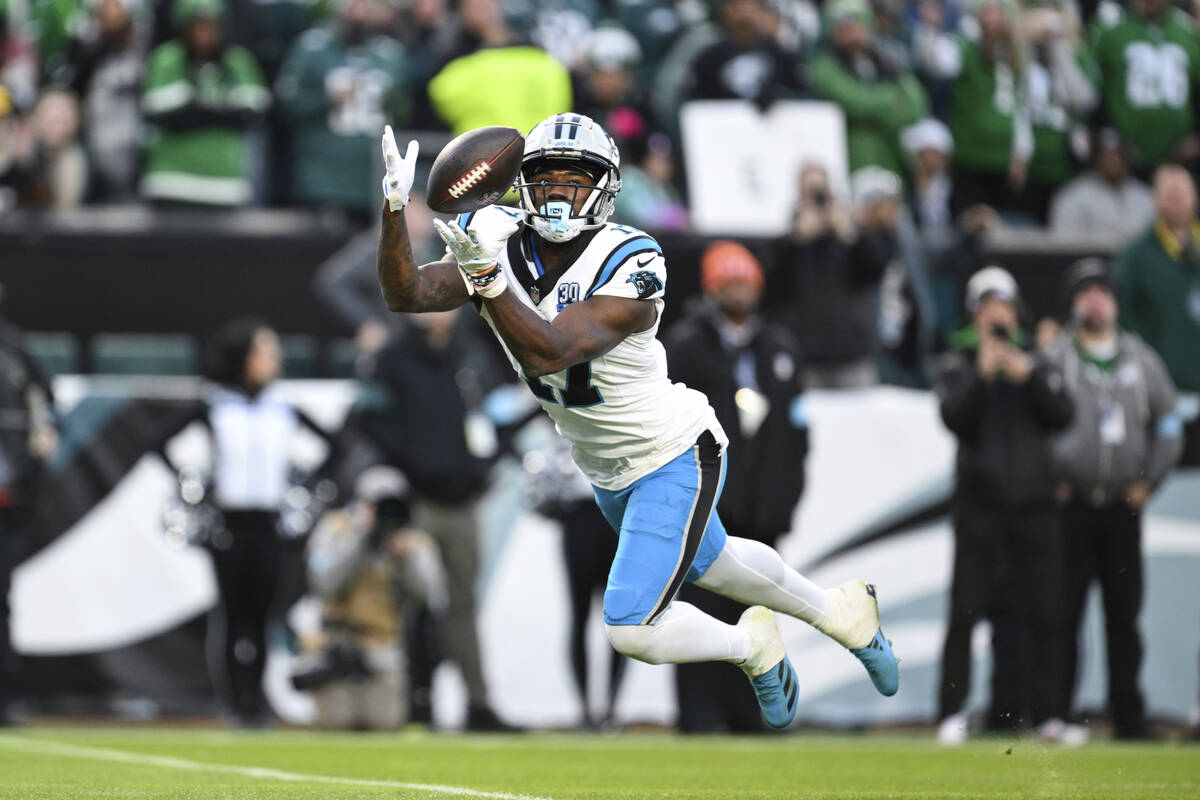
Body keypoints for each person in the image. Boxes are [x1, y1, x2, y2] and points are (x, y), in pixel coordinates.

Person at [375, 112, 899, 731]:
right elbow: (405, 293)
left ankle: (750, 646)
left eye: (576, 180)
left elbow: (551, 348)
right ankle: (840, 611)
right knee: (721, 565)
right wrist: (392, 210)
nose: (560, 194)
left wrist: (487, 278)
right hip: (608, 468)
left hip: (673, 450)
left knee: (632, 626)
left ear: (605, 187)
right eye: (546, 179)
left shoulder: (632, 256)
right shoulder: (505, 242)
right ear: (523, 183)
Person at [664, 240, 809, 732]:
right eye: (729, 284)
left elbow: (797, 435)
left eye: (744, 283)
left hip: (763, 511)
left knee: (757, 617)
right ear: (711, 288)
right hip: (706, 511)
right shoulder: (685, 346)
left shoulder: (782, 348)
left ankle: (753, 717)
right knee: (702, 615)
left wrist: (784, 502)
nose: (739, 293)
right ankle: (700, 716)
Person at [163, 318, 336, 725]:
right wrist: (192, 481)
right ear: (244, 357)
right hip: (229, 523)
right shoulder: (217, 404)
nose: (274, 358)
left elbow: (336, 442)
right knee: (231, 614)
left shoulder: (282, 405)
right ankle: (232, 700)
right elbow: (158, 439)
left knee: (260, 617)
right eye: (265, 350)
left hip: (270, 523)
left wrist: (303, 479)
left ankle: (255, 699)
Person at [351, 308, 514, 730]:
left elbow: (497, 419)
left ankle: (478, 705)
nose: (441, 310)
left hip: (464, 502)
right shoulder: (392, 357)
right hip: (415, 501)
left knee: (464, 606)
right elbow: (368, 419)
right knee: (409, 604)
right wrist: (409, 465)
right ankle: (408, 703)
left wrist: (481, 468)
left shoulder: (472, 355)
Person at [934, 266, 1074, 745]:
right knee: (965, 612)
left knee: (1046, 612)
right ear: (975, 314)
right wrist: (982, 373)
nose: (997, 314)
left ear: (1015, 311)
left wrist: (1027, 374)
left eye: (1004, 305)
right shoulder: (960, 363)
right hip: (980, 505)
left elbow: (1063, 412)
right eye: (987, 305)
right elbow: (953, 416)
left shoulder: (1039, 359)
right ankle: (950, 712)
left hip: (1035, 504)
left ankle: (1050, 715)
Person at [1044, 258, 1182, 741]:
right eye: (1085, 292)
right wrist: (1051, 477)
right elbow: (1035, 422)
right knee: (1065, 615)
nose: (1094, 299)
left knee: (1123, 617)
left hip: (1123, 508)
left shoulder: (1140, 361)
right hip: (1072, 506)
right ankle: (1056, 715)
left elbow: (1169, 425)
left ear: (1116, 303)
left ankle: (1129, 719)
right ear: (1074, 304)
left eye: (1102, 291)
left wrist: (1152, 479)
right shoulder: (1057, 357)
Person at [299, 466, 445, 730]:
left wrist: (405, 557)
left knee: (385, 726)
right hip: (337, 650)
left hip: (384, 652)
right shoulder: (336, 528)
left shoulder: (412, 539)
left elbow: (429, 594)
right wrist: (358, 538)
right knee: (334, 725)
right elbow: (323, 583)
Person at [275, 0, 407, 220]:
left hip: (373, 178)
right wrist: (325, 100)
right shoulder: (312, 47)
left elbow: (404, 111)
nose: (358, 10)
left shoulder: (390, 54)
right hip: (322, 177)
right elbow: (287, 103)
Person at [767, 162, 890, 389]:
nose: (817, 200)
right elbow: (771, 288)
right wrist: (797, 240)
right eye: (810, 192)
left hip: (852, 354)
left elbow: (876, 272)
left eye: (821, 191)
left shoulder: (848, 237)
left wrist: (850, 235)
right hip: (806, 358)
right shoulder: (786, 242)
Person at [140, 0, 269, 206]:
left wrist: (196, 108)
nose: (204, 34)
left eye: (210, 26)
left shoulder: (238, 61)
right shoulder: (166, 59)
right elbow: (166, 117)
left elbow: (252, 115)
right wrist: (220, 111)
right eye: (197, 26)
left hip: (224, 183)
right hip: (171, 181)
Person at [1113, 165, 1200, 464]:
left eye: (1183, 193)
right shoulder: (1136, 254)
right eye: (1169, 194)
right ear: (1155, 199)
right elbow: (1120, 314)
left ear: (1195, 198)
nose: (1177, 201)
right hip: (1164, 395)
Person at [0, 316, 58, 726]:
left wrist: (44, 434)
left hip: (8, 497)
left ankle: (4, 694)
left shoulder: (13, 350)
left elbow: (46, 406)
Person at [808, 0, 929, 180]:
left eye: (856, 23)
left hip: (890, 159)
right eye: (843, 26)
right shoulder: (824, 65)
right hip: (851, 157)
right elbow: (854, 101)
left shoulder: (886, 61)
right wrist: (890, 100)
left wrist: (876, 106)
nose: (851, 31)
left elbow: (916, 105)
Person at [1089, 0, 1200, 174]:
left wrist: (1196, 136)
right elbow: (1092, 92)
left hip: (1181, 161)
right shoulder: (1109, 28)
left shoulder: (1187, 29)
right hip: (1126, 160)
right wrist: (1109, 137)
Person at [1048, 127, 1155, 240]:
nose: (1114, 161)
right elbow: (1064, 247)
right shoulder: (1072, 196)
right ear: (1094, 159)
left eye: (1118, 154)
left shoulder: (1146, 197)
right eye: (1106, 155)